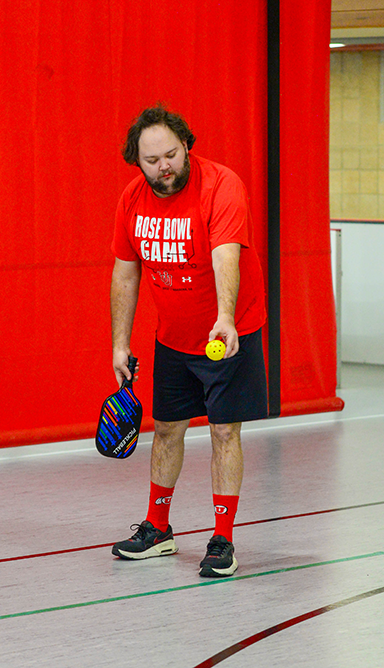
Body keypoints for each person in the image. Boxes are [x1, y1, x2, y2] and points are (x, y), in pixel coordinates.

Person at [110, 105, 267, 577]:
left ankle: (223, 540)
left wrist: (224, 316)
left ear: (186, 145)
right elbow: (125, 271)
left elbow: (225, 253)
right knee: (168, 428)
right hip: (173, 338)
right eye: (152, 160)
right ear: (137, 161)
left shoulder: (222, 186)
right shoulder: (133, 199)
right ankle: (158, 529)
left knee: (224, 431)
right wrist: (120, 343)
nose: (164, 167)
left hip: (228, 334)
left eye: (172, 155)